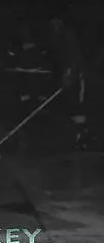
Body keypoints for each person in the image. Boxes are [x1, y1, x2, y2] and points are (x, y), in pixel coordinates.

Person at [47, 17, 89, 149]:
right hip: (68, 78)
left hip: (77, 78)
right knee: (70, 108)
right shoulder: (57, 37)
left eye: (55, 22)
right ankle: (74, 137)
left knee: (77, 108)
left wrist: (69, 74)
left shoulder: (68, 36)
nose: (53, 25)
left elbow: (74, 57)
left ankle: (82, 137)